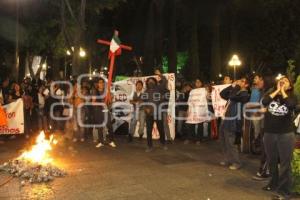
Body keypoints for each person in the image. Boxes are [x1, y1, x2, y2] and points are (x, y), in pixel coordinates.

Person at [261, 76, 297, 200]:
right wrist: (277, 90)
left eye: (285, 81)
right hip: (269, 133)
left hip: (285, 134)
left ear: (290, 86)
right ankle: (273, 183)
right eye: (280, 80)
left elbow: (291, 105)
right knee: (271, 161)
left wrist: (283, 92)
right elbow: (264, 102)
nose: (282, 82)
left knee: (285, 164)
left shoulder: (292, 96)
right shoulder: (272, 94)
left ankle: (284, 192)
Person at [219, 77, 250, 170]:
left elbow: (232, 97)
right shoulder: (235, 91)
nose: (240, 82)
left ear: (246, 85)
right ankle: (227, 159)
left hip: (234, 121)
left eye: (242, 81)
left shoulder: (244, 94)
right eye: (239, 80)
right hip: (226, 119)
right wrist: (231, 86)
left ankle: (236, 162)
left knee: (231, 142)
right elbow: (222, 94)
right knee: (224, 140)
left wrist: (236, 87)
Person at [141, 77, 167, 152]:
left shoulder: (159, 89)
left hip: (158, 113)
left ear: (155, 82)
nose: (150, 82)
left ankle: (163, 143)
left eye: (152, 81)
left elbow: (164, 81)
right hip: (149, 114)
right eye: (149, 81)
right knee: (149, 130)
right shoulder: (146, 91)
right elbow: (143, 102)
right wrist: (146, 108)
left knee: (161, 129)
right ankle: (149, 146)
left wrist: (159, 74)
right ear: (147, 83)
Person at [93, 78, 116, 148]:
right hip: (99, 111)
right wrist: (101, 104)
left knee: (109, 126)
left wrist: (110, 97)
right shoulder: (95, 92)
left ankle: (111, 141)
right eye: (100, 82)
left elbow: (110, 102)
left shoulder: (106, 92)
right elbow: (93, 103)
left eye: (102, 82)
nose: (101, 84)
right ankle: (101, 141)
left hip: (106, 111)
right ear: (98, 84)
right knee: (100, 127)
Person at [154, 69, 171, 141]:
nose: (159, 85)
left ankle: (169, 138)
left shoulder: (167, 91)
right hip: (157, 109)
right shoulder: (156, 91)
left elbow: (165, 80)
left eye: (160, 84)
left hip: (163, 109)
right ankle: (162, 137)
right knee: (159, 124)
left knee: (165, 124)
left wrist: (159, 74)